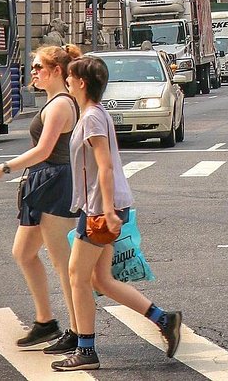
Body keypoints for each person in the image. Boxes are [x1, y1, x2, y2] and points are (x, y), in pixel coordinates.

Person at [52, 55, 181, 371]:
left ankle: (86, 351)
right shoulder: (95, 114)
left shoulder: (93, 118)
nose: (67, 82)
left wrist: (107, 211)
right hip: (100, 206)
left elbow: (106, 166)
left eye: (70, 77)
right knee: (102, 279)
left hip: (100, 208)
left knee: (77, 277)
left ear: (82, 83)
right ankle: (164, 319)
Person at [0, 44, 81, 353]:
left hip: (55, 183)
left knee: (64, 264)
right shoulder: (53, 101)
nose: (33, 71)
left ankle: (77, 331)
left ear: (57, 71)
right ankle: (45, 322)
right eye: (33, 67)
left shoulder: (62, 104)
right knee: (23, 252)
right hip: (42, 182)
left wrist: (3, 168)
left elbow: (44, 150)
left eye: (38, 67)